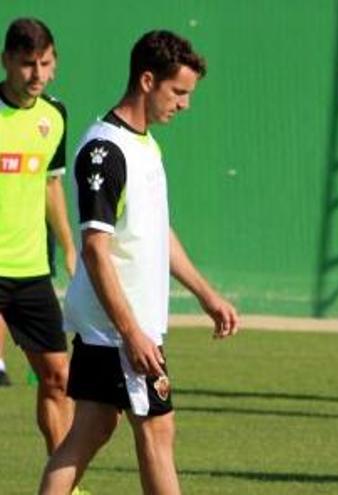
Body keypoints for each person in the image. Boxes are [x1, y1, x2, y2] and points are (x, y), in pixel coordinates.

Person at [39, 30, 240, 495]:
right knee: (156, 430)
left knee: (90, 429)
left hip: (126, 324)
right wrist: (131, 332)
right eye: (179, 92)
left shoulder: (145, 144)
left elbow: (156, 233)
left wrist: (206, 295)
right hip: (117, 325)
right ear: (148, 80)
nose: (185, 104)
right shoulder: (104, 151)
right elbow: (94, 248)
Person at [0, 17, 77, 454]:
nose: (37, 75)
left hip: (31, 272)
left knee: (58, 378)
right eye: (27, 64)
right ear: (6, 60)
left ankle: (61, 483)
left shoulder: (55, 115)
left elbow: (52, 185)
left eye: (45, 63)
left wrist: (69, 247)